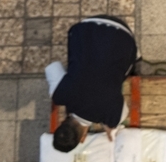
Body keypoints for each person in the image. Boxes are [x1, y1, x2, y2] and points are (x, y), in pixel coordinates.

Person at [46, 15, 138, 153]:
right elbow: (52, 67)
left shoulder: (112, 115)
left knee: (125, 72)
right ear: (61, 122)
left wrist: (109, 124)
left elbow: (123, 111)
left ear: (83, 137)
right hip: (87, 27)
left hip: (122, 35)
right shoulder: (60, 95)